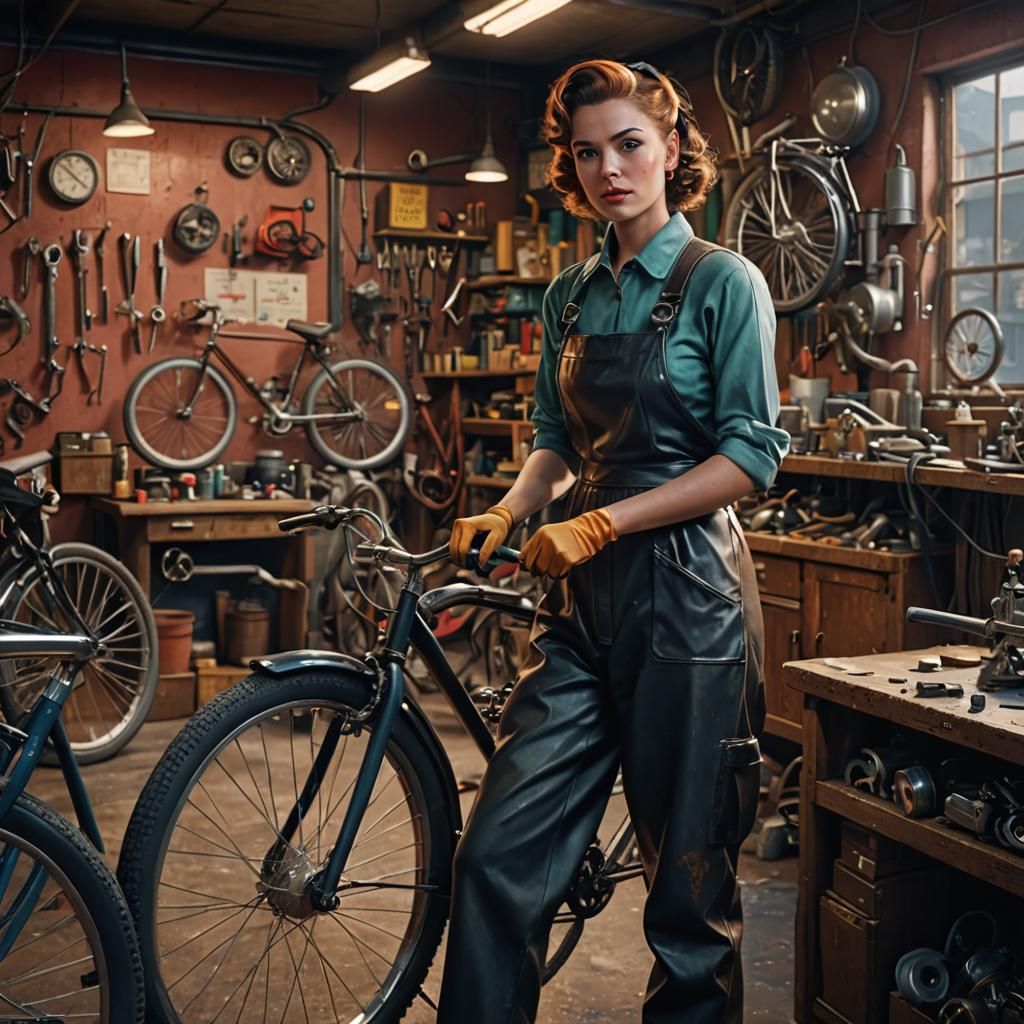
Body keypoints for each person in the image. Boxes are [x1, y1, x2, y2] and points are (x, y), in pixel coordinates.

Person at [440, 58, 789, 1024]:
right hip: (583, 606)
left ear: (672, 151)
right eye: (588, 152)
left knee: (687, 894)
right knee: (496, 856)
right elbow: (557, 440)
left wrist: (603, 521)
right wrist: (513, 509)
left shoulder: (726, 283)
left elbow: (751, 459)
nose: (610, 169)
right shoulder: (571, 296)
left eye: (630, 144)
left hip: (689, 603)